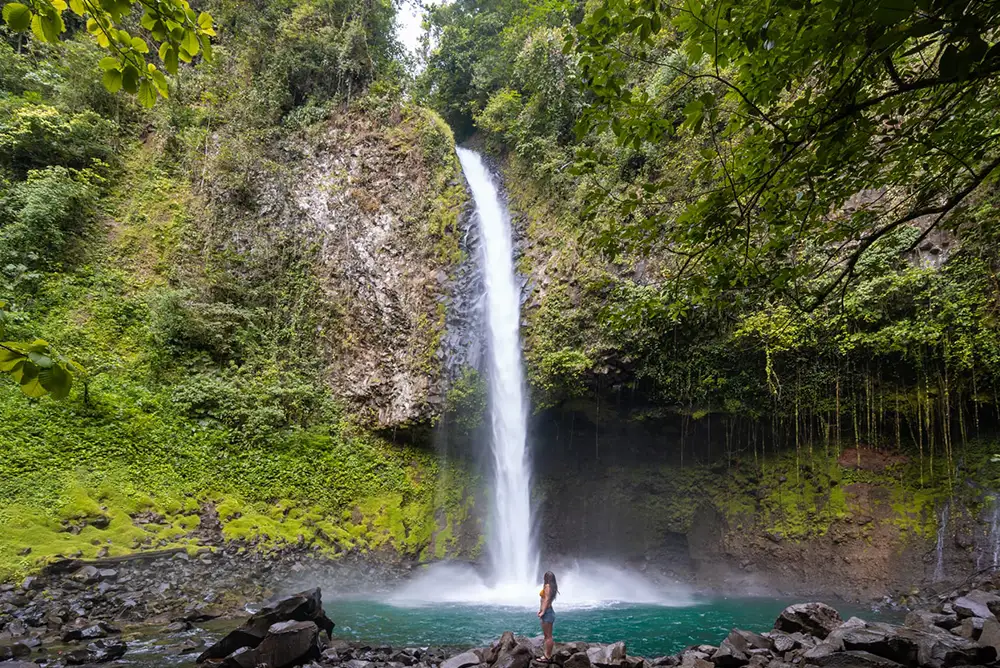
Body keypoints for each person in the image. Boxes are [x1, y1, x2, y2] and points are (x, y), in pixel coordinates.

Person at [537, 571, 558, 661]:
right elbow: (545, 600)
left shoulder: (548, 586)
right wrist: (541, 610)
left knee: (548, 636)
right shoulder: (552, 587)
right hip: (548, 612)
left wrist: (543, 612)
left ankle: (547, 656)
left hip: (547, 613)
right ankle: (547, 654)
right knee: (547, 636)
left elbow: (546, 600)